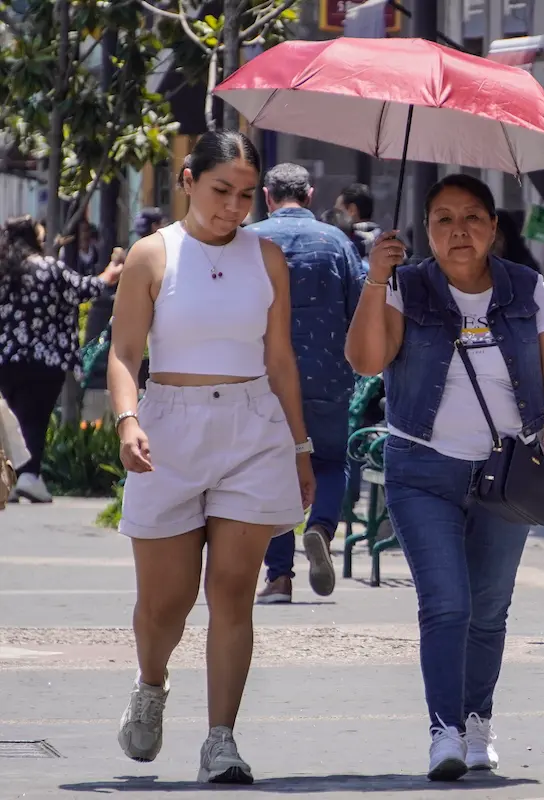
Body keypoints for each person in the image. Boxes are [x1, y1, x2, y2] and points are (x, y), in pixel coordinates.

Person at [344, 173, 544, 781]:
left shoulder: (524, 288)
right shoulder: (405, 285)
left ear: (494, 227)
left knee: (489, 608)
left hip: (510, 470)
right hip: (423, 468)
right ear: (427, 229)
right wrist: (375, 277)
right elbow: (366, 360)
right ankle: (443, 730)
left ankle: (478, 720)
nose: (459, 231)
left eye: (472, 217)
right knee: (446, 603)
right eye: (444, 219)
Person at [107, 130, 315, 783]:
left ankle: (221, 740)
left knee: (233, 592)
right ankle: (151, 681)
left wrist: (301, 447)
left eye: (247, 194)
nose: (234, 206)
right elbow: (124, 354)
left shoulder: (268, 257)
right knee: (164, 605)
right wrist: (127, 420)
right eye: (222, 190)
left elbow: (280, 360)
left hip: (252, 428)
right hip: (167, 428)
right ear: (188, 181)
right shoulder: (151, 255)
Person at [248, 163, 365, 603]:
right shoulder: (338, 242)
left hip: (265, 378)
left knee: (274, 470)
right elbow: (360, 308)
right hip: (329, 375)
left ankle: (279, 578)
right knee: (331, 461)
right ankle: (320, 527)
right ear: (311, 194)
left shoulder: (251, 240)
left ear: (267, 194)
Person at [0, 215, 121, 503]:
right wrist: (110, 273)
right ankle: (29, 477)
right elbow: (83, 289)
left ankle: (11, 475)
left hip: (5, 358)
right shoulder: (48, 268)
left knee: (10, 418)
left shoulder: (3, 270)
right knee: (35, 418)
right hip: (45, 359)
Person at [335, 183, 381, 258]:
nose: (335, 215)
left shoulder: (346, 245)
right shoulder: (387, 241)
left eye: (338, 211)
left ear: (352, 210)